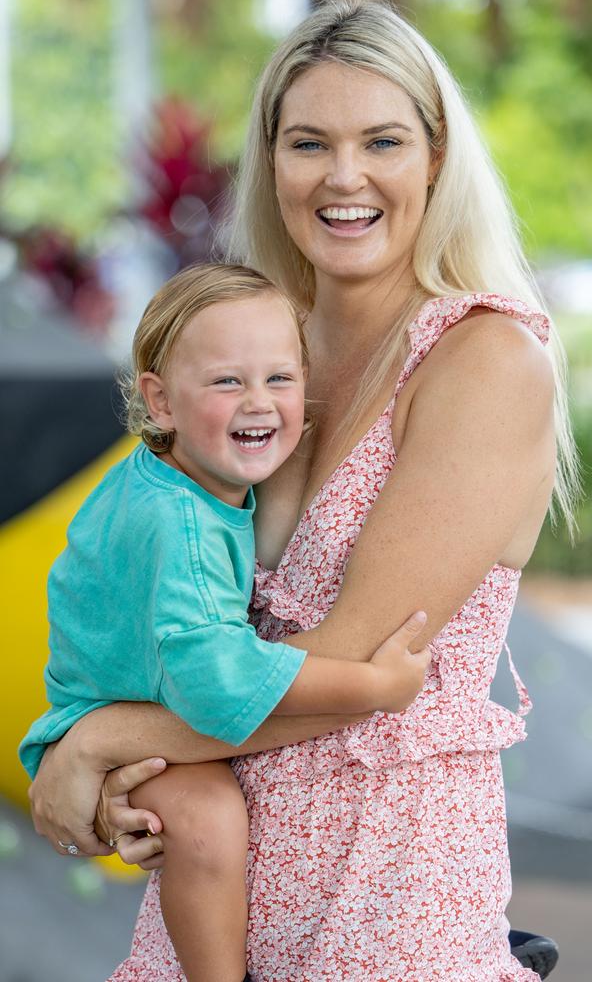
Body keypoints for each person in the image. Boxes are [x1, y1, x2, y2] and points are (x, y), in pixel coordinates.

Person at [28, 0, 576, 981]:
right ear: (269, 160)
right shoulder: (259, 357)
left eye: (381, 140)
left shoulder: (482, 361)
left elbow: (350, 665)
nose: (343, 175)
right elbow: (168, 601)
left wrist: (97, 741)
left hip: (386, 907)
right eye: (307, 142)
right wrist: (117, 752)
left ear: (435, 155)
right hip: (213, 906)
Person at [20, 262, 430, 982]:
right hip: (116, 714)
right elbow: (217, 683)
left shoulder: (174, 477)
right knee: (208, 822)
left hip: (123, 695)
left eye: (280, 379)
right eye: (226, 382)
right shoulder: (181, 523)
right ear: (161, 400)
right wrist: (370, 684)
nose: (260, 403)